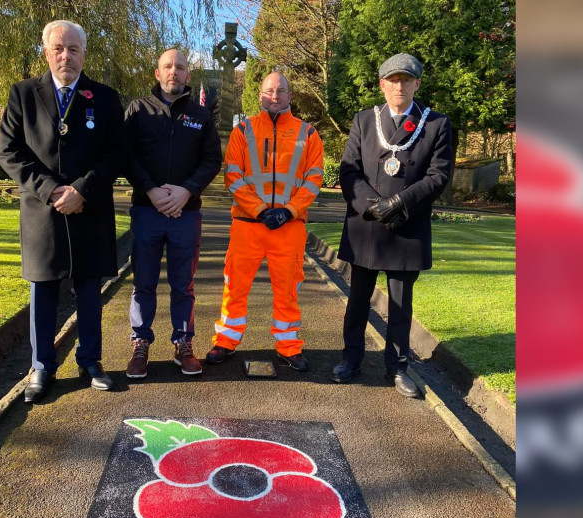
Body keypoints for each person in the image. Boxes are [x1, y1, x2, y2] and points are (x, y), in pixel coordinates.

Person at [0, 20, 126, 401]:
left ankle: (91, 361)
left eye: (73, 49)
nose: (65, 55)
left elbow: (116, 152)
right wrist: (53, 190)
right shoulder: (22, 94)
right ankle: (42, 368)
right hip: (43, 209)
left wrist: (82, 190)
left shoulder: (104, 97)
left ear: (84, 54)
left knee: (89, 288)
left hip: (89, 208)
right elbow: (9, 151)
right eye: (58, 48)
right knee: (43, 290)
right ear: (46, 51)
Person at [332, 53, 453, 397]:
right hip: (366, 226)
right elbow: (349, 171)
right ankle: (351, 359)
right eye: (393, 80)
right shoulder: (363, 120)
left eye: (406, 80)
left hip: (407, 222)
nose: (399, 86)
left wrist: (399, 203)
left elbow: (439, 175)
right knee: (357, 298)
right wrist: (374, 207)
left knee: (400, 303)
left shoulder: (437, 124)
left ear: (417, 83)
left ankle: (398, 368)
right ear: (382, 84)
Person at [206, 72, 324, 370]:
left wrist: (288, 211)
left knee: (288, 288)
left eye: (281, 91)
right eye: (269, 90)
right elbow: (233, 176)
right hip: (248, 224)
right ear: (259, 95)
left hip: (289, 226)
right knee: (235, 285)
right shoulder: (242, 131)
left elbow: (313, 180)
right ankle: (226, 341)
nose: (275, 96)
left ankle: (288, 346)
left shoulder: (308, 133)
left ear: (289, 97)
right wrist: (260, 210)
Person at [122, 48, 222, 378]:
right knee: (144, 284)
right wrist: (151, 190)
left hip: (186, 212)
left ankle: (183, 344)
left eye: (180, 67)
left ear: (188, 76)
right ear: (157, 72)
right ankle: (140, 343)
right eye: (168, 66)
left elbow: (211, 160)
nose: (174, 72)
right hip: (146, 210)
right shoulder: (138, 109)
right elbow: (126, 155)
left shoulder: (201, 115)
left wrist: (186, 190)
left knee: (184, 285)